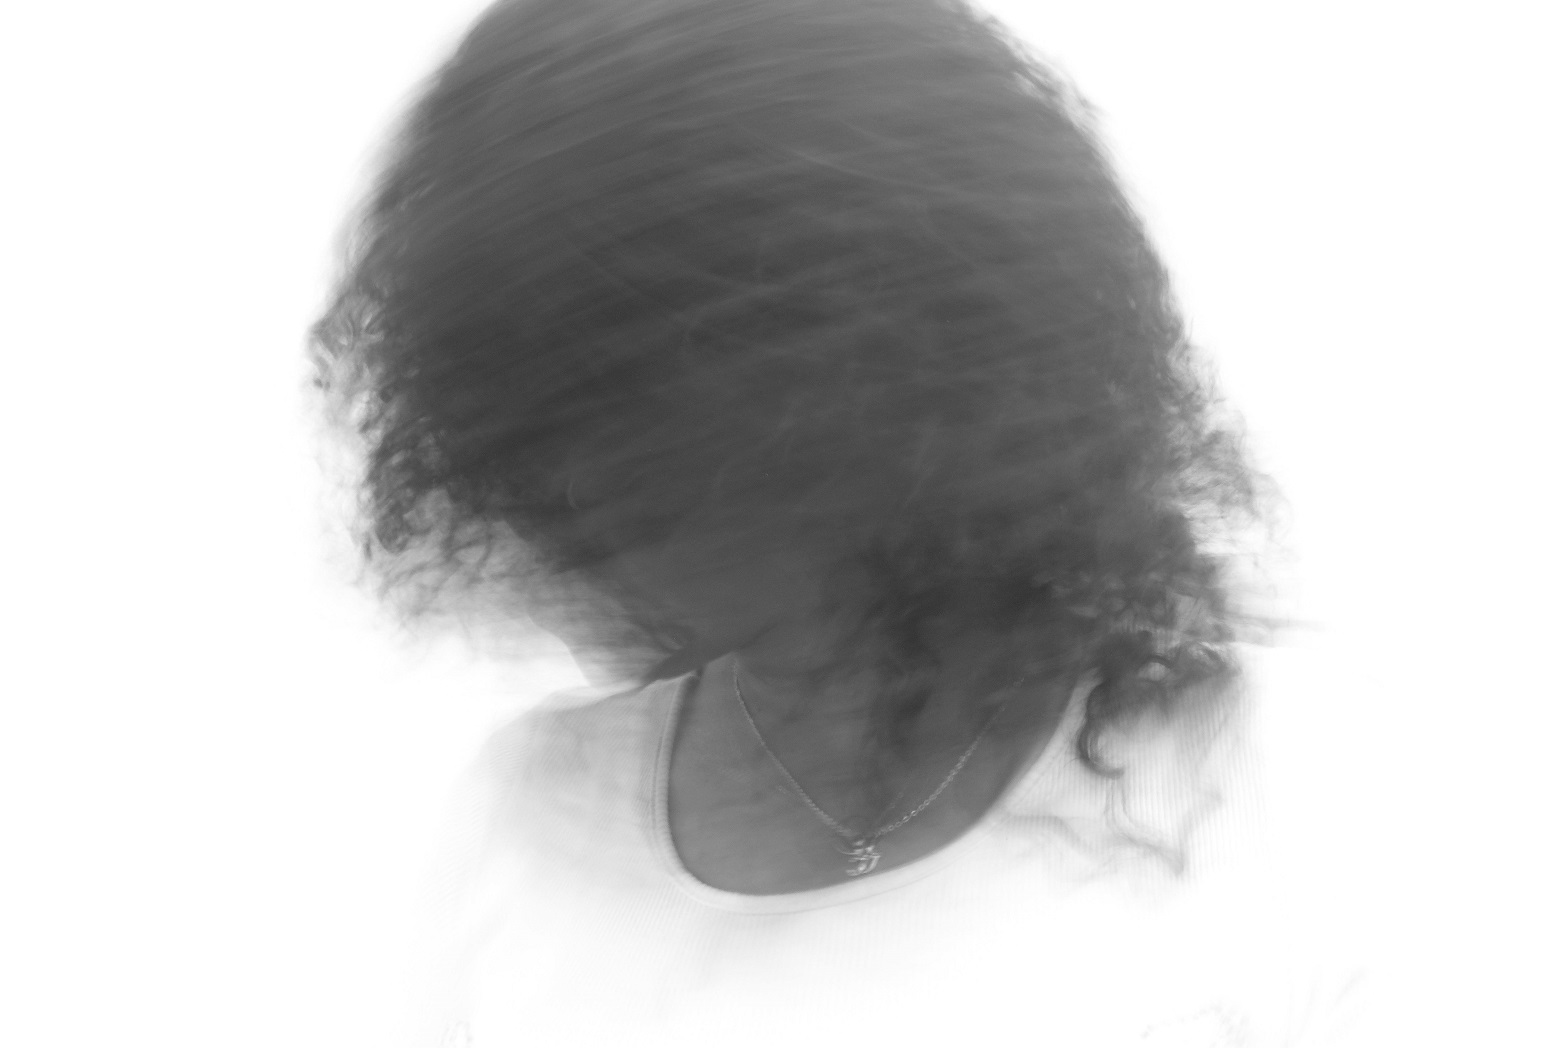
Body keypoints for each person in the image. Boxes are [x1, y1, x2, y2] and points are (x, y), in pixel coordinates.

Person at [312, 0, 1357, 1043]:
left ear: (893, 349)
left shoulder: (1294, 786)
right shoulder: (525, 819)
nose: (578, 487)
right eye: (547, 405)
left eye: (638, 381)